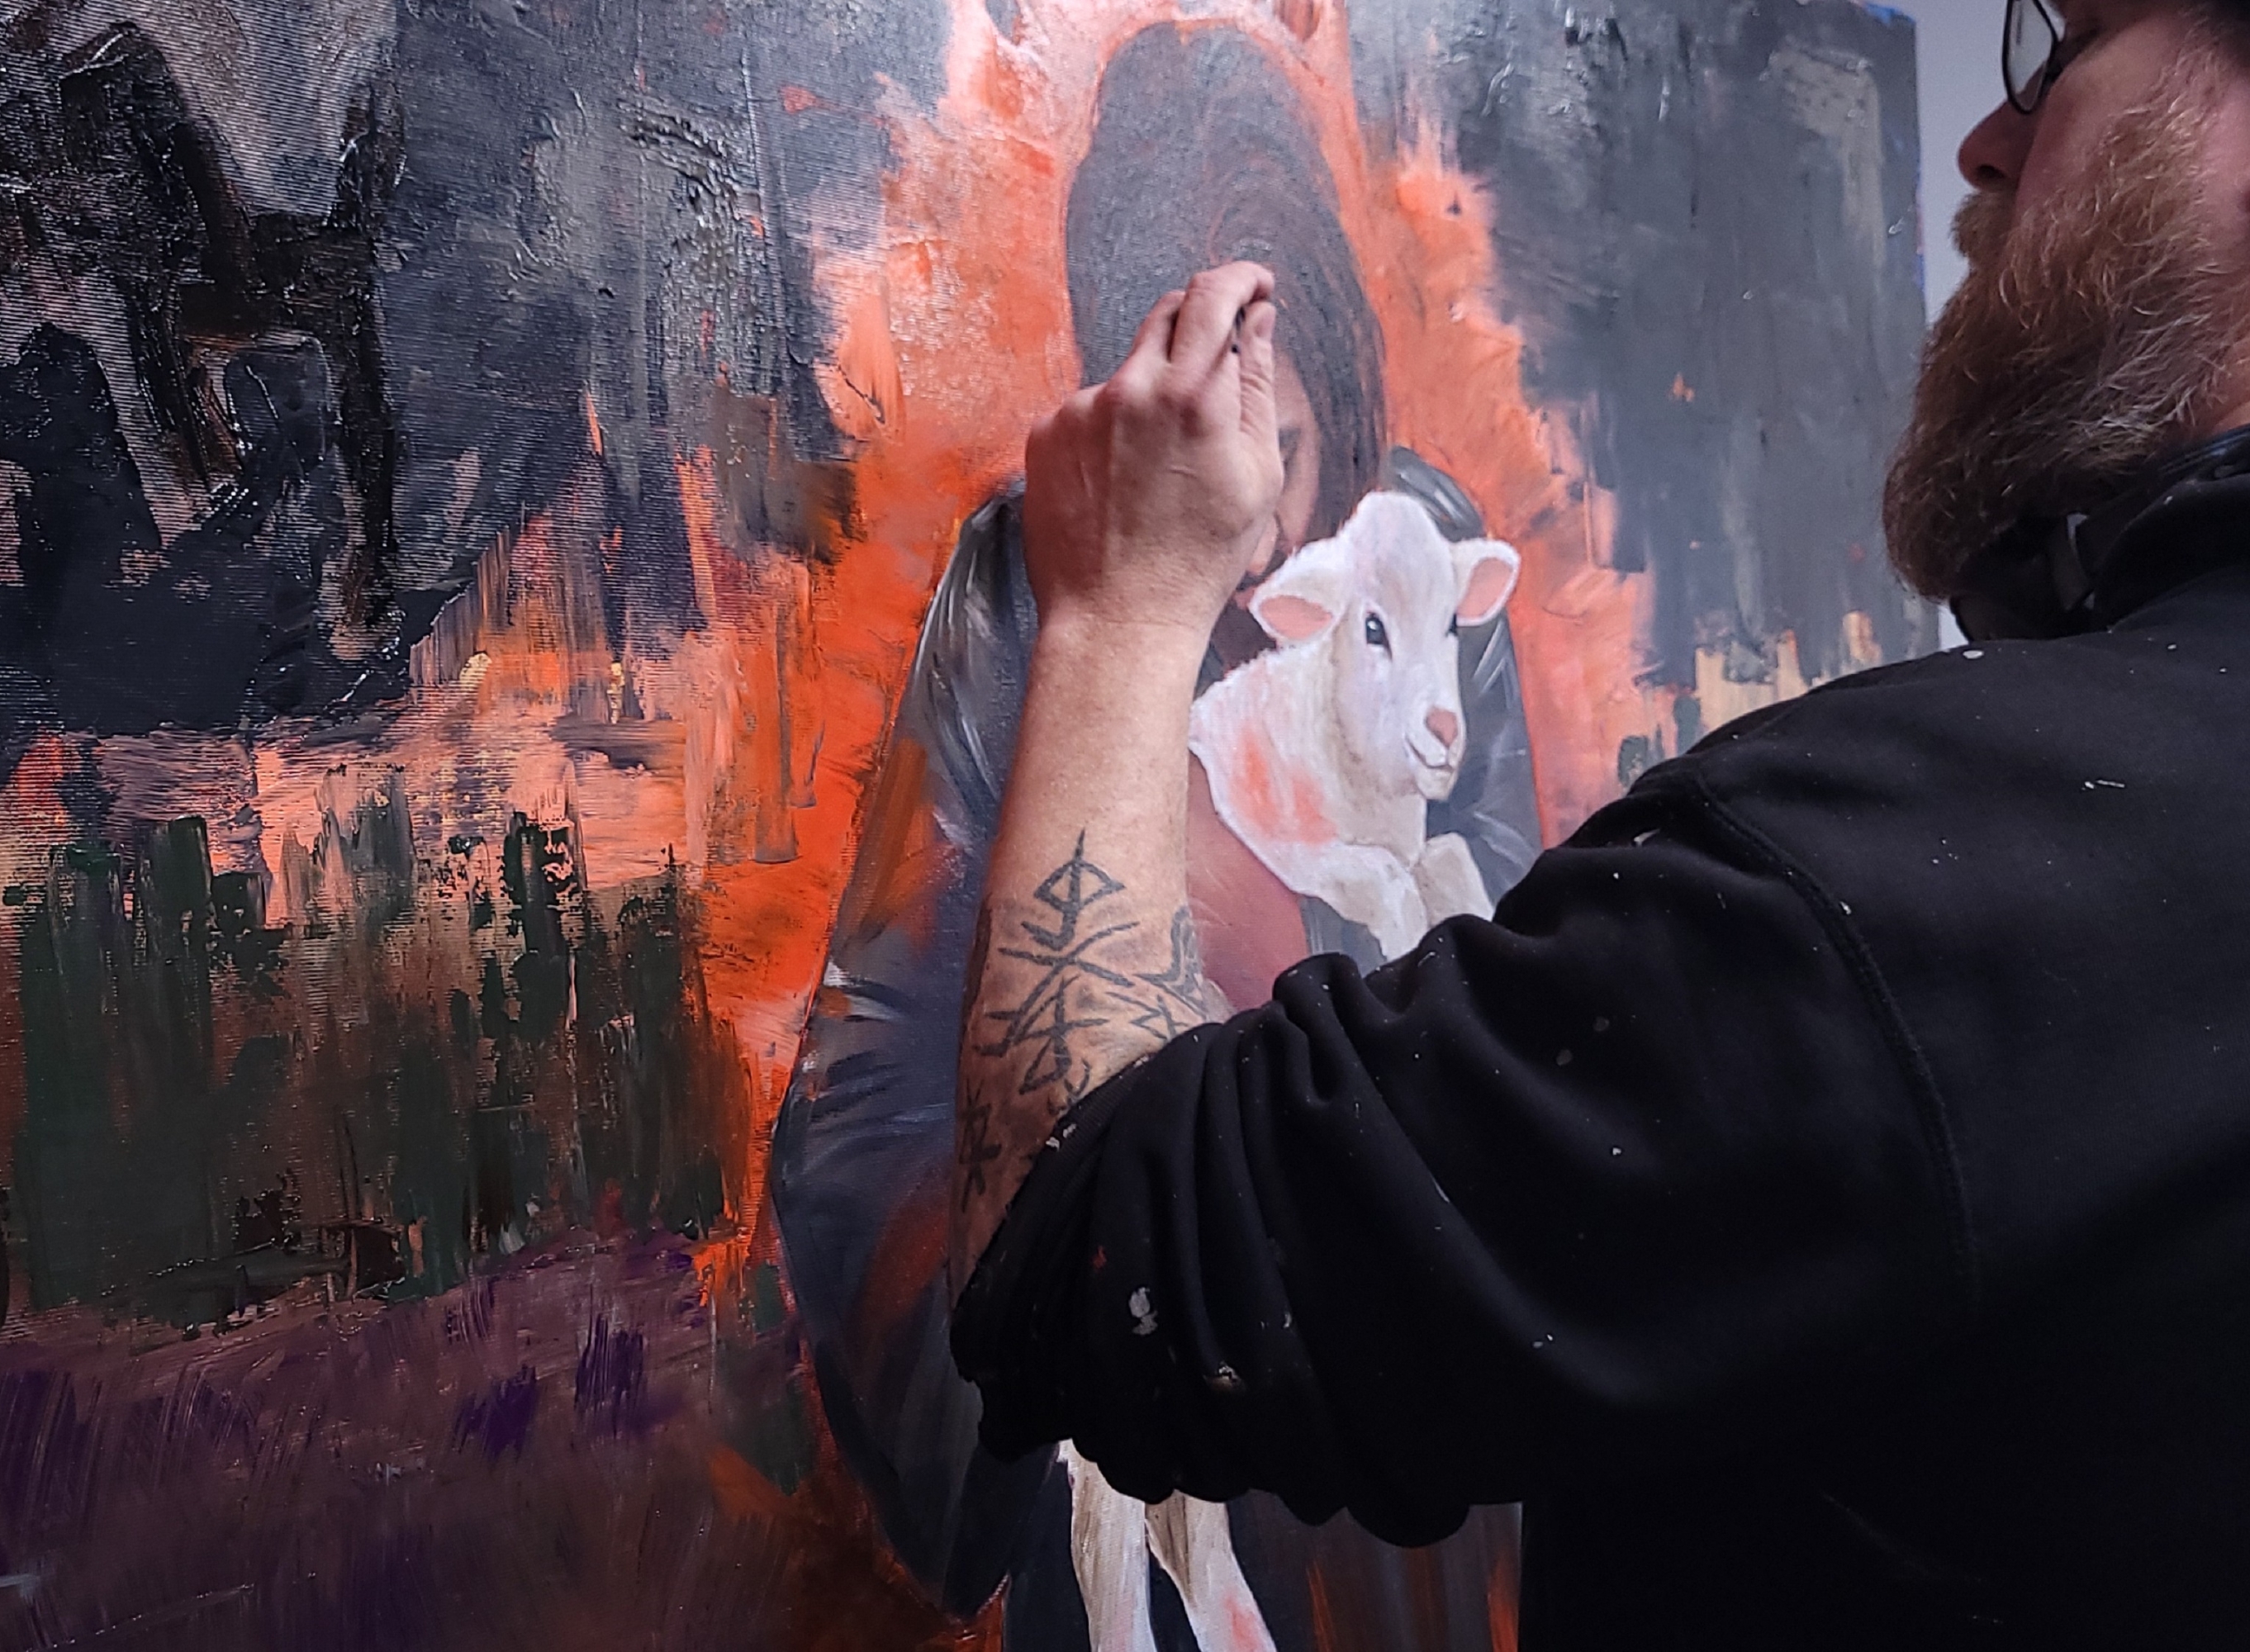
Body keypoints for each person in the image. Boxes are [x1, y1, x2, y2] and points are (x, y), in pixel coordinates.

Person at [948, 2, 2250, 1646]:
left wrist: (1124, 613)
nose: (1987, 143)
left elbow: (1079, 1251)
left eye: (2069, 51)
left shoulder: (1885, 890)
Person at [772, 24, 1536, 1649]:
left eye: (1287, 463)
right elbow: (871, 1082)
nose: (1245, 543)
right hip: (1124, 1396)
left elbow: (1509, 980)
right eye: (1198, 456)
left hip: (1389, 1426)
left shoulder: (1421, 552)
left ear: (1343, 392)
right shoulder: (1027, 577)